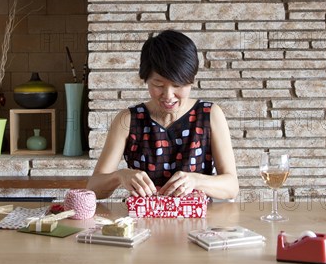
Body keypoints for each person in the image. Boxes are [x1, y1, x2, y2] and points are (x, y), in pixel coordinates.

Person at [87, 30, 239, 200]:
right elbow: (94, 188)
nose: (168, 95)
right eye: (158, 84)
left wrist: (196, 181)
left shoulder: (209, 114)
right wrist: (120, 176)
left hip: (198, 224)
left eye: (177, 85)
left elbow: (231, 187)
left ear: (191, 80)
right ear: (145, 79)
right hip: (143, 224)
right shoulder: (128, 120)